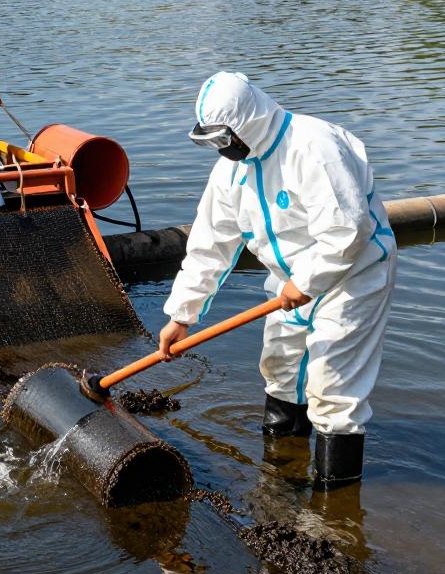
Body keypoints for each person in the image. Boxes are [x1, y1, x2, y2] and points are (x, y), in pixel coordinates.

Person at [157, 72, 396, 490]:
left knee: (332, 387)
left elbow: (348, 231)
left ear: (246, 122)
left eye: (224, 139)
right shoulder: (232, 172)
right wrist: (182, 314)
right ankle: (281, 471)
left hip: (354, 276)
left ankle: (332, 503)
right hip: (287, 283)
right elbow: (209, 245)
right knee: (281, 367)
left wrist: (306, 282)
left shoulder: (312, 147)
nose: (221, 149)